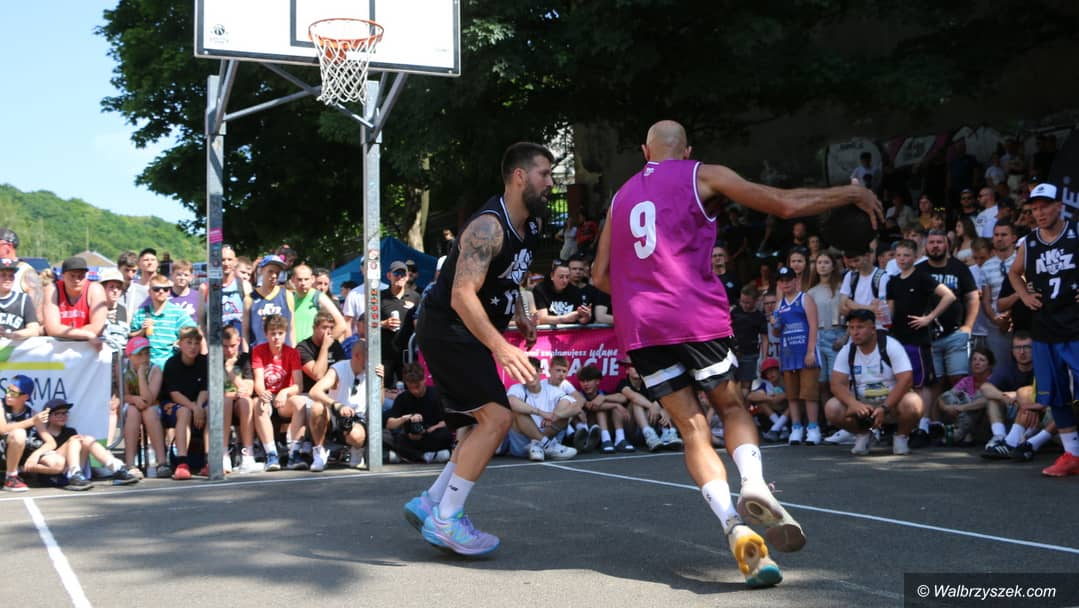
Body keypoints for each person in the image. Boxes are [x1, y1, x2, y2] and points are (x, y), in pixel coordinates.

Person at [592, 120, 882, 587]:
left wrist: (641, 292)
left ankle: (733, 526)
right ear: (687, 150)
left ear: (645, 151)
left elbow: (600, 276)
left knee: (692, 428)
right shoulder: (701, 174)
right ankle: (753, 484)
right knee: (731, 406)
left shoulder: (620, 198)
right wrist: (848, 194)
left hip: (642, 324)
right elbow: (783, 204)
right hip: (692, 313)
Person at [403, 142, 550, 556]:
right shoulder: (487, 227)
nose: (550, 183)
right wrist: (502, 347)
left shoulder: (532, 226)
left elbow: (513, 278)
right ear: (519, 176)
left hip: (466, 331)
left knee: (474, 426)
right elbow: (462, 295)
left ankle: (432, 501)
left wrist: (522, 313)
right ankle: (447, 519)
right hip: (449, 327)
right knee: (497, 419)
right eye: (544, 174)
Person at [1005, 183, 1079, 477]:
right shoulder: (1029, 243)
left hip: (1075, 324)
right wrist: (1024, 296)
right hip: (1045, 327)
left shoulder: (1076, 233)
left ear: (1059, 206)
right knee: (1055, 394)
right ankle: (1072, 454)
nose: (1039, 213)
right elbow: (1014, 272)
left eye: (1044, 206)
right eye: (1034, 208)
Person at [885, 239, 956, 445]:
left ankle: (923, 425)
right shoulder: (893, 281)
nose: (901, 259)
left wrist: (929, 318)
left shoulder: (922, 277)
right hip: (897, 338)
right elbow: (890, 311)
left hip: (917, 338)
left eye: (906, 255)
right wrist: (881, 315)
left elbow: (949, 296)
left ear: (915, 257)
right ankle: (903, 424)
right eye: (898, 255)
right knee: (900, 381)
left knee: (921, 382)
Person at [824, 309, 923, 456]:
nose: (855, 332)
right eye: (851, 328)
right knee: (832, 407)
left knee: (914, 402)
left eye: (860, 327)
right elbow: (836, 384)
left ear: (873, 329)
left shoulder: (891, 345)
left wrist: (885, 407)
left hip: (892, 404)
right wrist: (853, 404)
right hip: (863, 406)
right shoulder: (847, 350)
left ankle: (901, 436)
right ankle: (863, 434)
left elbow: (906, 379)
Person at [914, 229, 980, 446]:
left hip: (955, 334)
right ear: (926, 247)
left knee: (959, 380)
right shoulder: (919, 270)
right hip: (928, 337)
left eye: (939, 242)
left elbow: (972, 298)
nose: (935, 246)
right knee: (934, 382)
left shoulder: (959, 268)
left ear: (947, 245)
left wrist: (968, 326)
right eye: (931, 242)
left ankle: (965, 428)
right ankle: (936, 427)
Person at [23, 399, 140, 490]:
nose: (62, 416)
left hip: (74, 471)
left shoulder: (70, 431)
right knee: (75, 440)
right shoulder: (40, 435)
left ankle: (117, 468)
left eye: (65, 413)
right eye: (57, 414)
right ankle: (74, 474)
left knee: (87, 439)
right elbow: (37, 463)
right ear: (47, 417)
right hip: (53, 475)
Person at [308, 337, 381, 471]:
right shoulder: (339, 368)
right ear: (357, 356)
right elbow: (314, 391)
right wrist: (336, 405)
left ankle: (356, 450)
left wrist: (380, 381)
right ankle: (319, 453)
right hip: (335, 415)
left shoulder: (373, 370)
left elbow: (379, 404)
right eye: (367, 356)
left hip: (357, 419)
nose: (371, 360)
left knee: (356, 436)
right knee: (316, 408)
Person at [770, 266, 821, 445]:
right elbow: (777, 333)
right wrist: (774, 324)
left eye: (788, 280)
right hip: (788, 354)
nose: (785, 284)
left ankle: (813, 428)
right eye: (782, 281)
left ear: (796, 281)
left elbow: (814, 325)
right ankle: (796, 427)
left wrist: (811, 351)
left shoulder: (805, 298)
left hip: (805, 352)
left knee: (809, 393)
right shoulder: (779, 305)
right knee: (792, 395)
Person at [251, 314, 307, 472]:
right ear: (266, 334)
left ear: (285, 333)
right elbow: (259, 382)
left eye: (280, 333)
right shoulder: (258, 351)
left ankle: (294, 454)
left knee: (300, 402)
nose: (276, 337)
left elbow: (298, 385)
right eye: (273, 333)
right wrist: (263, 393)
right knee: (259, 404)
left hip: (284, 399)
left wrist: (285, 392)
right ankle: (271, 454)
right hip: (268, 397)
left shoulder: (292, 353)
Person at [502, 357, 581, 460]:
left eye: (532, 371)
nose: (529, 376)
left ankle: (538, 445)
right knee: (516, 411)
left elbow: (576, 407)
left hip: (548, 439)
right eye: (525, 373)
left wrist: (556, 415)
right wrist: (541, 413)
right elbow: (511, 402)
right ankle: (545, 443)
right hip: (523, 446)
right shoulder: (517, 388)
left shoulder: (552, 390)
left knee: (565, 413)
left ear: (540, 371)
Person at [160, 327, 211, 480]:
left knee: (211, 411)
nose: (193, 347)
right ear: (180, 344)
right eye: (189, 342)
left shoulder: (204, 362)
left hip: (198, 403)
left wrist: (199, 407)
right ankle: (182, 463)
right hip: (174, 405)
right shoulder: (172, 363)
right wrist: (194, 407)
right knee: (184, 412)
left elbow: (205, 389)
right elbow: (174, 394)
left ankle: (210, 460)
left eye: (196, 343)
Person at [383, 362, 454, 464]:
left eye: (417, 386)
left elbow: (449, 421)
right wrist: (405, 418)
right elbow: (390, 424)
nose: (415, 391)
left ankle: (410, 456)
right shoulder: (402, 398)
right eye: (411, 387)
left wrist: (430, 430)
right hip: (410, 439)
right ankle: (427, 456)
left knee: (445, 435)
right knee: (389, 437)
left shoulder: (436, 395)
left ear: (424, 379)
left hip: (432, 435)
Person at [120, 337, 168, 478]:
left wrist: (141, 376)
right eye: (139, 355)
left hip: (151, 405)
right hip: (132, 404)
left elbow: (149, 399)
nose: (144, 358)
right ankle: (130, 464)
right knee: (133, 411)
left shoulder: (155, 370)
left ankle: (162, 462)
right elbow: (123, 395)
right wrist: (134, 399)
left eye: (147, 354)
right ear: (130, 356)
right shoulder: (123, 369)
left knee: (149, 412)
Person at [130, 273, 199, 369]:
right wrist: (142, 331)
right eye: (156, 289)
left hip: (170, 365)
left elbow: (194, 332)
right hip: (146, 365)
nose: (161, 291)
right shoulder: (141, 313)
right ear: (150, 292)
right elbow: (131, 339)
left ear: (169, 292)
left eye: (165, 289)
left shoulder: (178, 313)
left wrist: (179, 342)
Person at [41, 256, 108, 344]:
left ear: (86, 276)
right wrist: (86, 334)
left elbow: (96, 328)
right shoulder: (52, 290)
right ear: (63, 276)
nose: (76, 280)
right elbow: (52, 329)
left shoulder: (95, 289)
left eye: (81, 276)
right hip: (60, 345)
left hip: (88, 345)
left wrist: (67, 333)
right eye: (72, 276)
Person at [1, 375, 47, 492]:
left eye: (13, 393)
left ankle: (19, 470)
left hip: (18, 458)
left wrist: (36, 454)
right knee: (19, 433)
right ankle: (11, 477)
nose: (8, 395)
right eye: (7, 390)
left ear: (25, 397)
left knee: (57, 463)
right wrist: (32, 421)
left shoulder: (33, 413)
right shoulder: (0, 405)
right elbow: (2, 429)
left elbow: (51, 442)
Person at [379, 260, 421, 384]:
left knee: (409, 387)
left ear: (407, 277)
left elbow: (421, 323)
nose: (400, 277)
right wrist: (384, 323)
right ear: (389, 276)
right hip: (385, 355)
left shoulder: (415, 297)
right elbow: (368, 323)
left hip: (407, 354)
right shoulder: (379, 297)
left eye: (403, 274)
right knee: (384, 388)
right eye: (396, 274)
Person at [245, 254, 294, 349]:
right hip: (258, 353)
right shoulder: (250, 298)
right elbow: (245, 332)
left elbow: (291, 329)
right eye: (270, 271)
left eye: (277, 273)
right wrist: (245, 353)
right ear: (261, 270)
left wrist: (293, 351)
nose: (274, 276)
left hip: (282, 353)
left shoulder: (287, 295)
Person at [292, 264, 348, 343]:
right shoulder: (289, 297)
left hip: (311, 349)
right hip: (292, 349)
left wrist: (323, 345)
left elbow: (342, 324)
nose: (303, 283)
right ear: (293, 280)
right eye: (299, 279)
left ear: (312, 279)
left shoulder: (318, 297)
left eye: (306, 279)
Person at [730, 285, 768, 396]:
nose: (744, 305)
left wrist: (764, 358)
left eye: (748, 303)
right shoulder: (735, 312)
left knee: (746, 385)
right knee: (732, 383)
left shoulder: (759, 317)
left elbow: (764, 339)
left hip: (750, 354)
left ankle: (745, 405)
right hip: (733, 353)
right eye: (742, 301)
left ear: (756, 301)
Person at [533, 260, 591, 326]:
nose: (565, 280)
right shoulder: (541, 290)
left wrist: (586, 317)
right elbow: (541, 319)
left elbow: (581, 320)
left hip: (570, 330)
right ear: (552, 276)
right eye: (561, 277)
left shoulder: (575, 291)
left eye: (567, 277)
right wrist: (564, 318)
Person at [0, 258, 40, 339]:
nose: (8, 279)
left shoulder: (23, 299)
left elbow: (34, 330)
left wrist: (10, 335)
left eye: (11, 275)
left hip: (14, 346)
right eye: (3, 275)